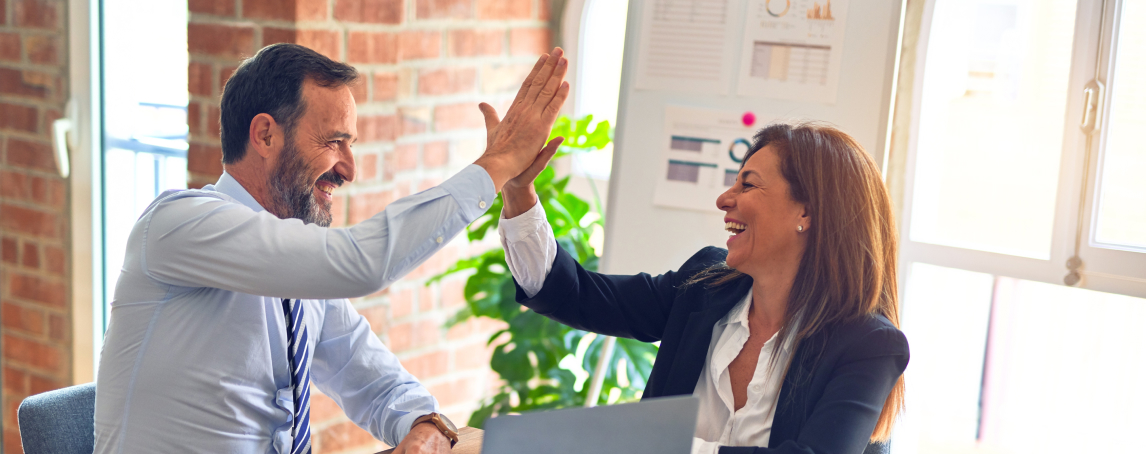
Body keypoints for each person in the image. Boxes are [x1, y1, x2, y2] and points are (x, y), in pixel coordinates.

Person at [93, 43, 570, 454]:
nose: (349, 169)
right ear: (264, 135)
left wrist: (425, 426)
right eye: (334, 142)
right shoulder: (180, 224)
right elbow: (359, 263)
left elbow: (370, 377)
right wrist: (497, 164)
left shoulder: (297, 272)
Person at [497, 122, 909, 454]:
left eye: (748, 185)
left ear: (806, 212)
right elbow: (577, 295)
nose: (723, 199)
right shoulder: (705, 284)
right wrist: (519, 190)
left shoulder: (869, 345)